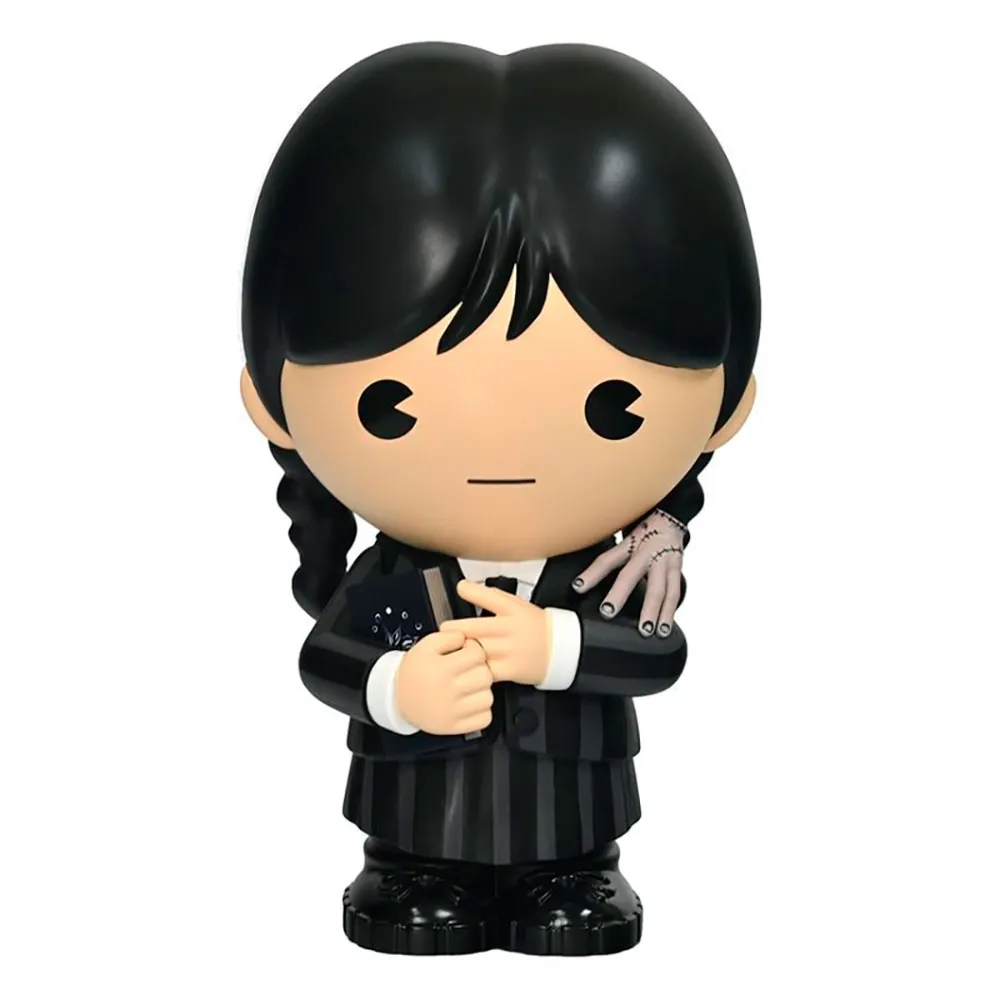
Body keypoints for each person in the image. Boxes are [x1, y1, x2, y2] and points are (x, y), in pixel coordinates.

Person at [239, 41, 759, 956]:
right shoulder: (392, 575)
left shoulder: (620, 567)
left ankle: (575, 875)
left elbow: (658, 652)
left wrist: (557, 646)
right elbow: (328, 658)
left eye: (611, 407)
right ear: (269, 403)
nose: (500, 442)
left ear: (729, 407)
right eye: (392, 406)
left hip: (573, 821)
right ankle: (411, 871)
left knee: (574, 887)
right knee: (412, 885)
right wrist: (398, 688)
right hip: (413, 815)